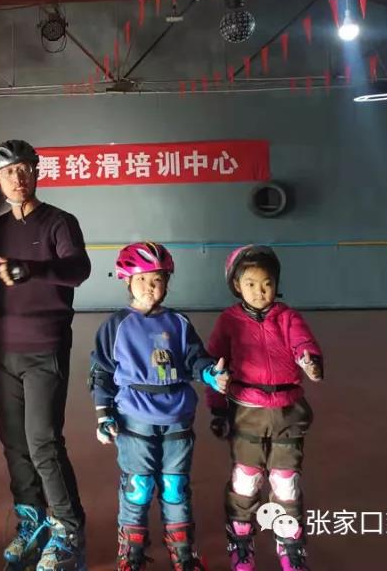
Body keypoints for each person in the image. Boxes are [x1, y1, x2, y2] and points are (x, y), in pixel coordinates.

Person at [0, 140, 91, 571]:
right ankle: (32, 521)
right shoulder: (0, 227)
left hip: (45, 347)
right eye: (8, 172)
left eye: (24, 170)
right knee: (15, 444)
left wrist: (33, 269)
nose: (17, 179)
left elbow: (78, 269)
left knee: (43, 441)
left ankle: (68, 529)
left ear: (36, 173)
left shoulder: (59, 222)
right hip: (4, 348)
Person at [90, 242, 229, 571]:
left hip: (177, 416)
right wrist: (103, 414)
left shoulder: (178, 322)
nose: (150, 287)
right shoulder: (116, 325)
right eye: (142, 279)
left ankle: (182, 552)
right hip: (134, 417)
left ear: (167, 282)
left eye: (157, 279)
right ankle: (131, 553)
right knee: (137, 487)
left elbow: (195, 359)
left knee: (175, 486)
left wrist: (211, 374)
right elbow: (101, 372)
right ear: (127, 280)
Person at [207, 245, 324, 571]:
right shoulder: (229, 321)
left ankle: (291, 546)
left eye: (267, 283)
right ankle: (241, 542)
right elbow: (215, 365)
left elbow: (303, 343)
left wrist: (310, 361)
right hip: (247, 412)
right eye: (251, 284)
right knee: (247, 480)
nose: (260, 291)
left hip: (288, 412)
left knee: (286, 482)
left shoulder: (288, 317)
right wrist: (217, 408)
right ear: (236, 286)